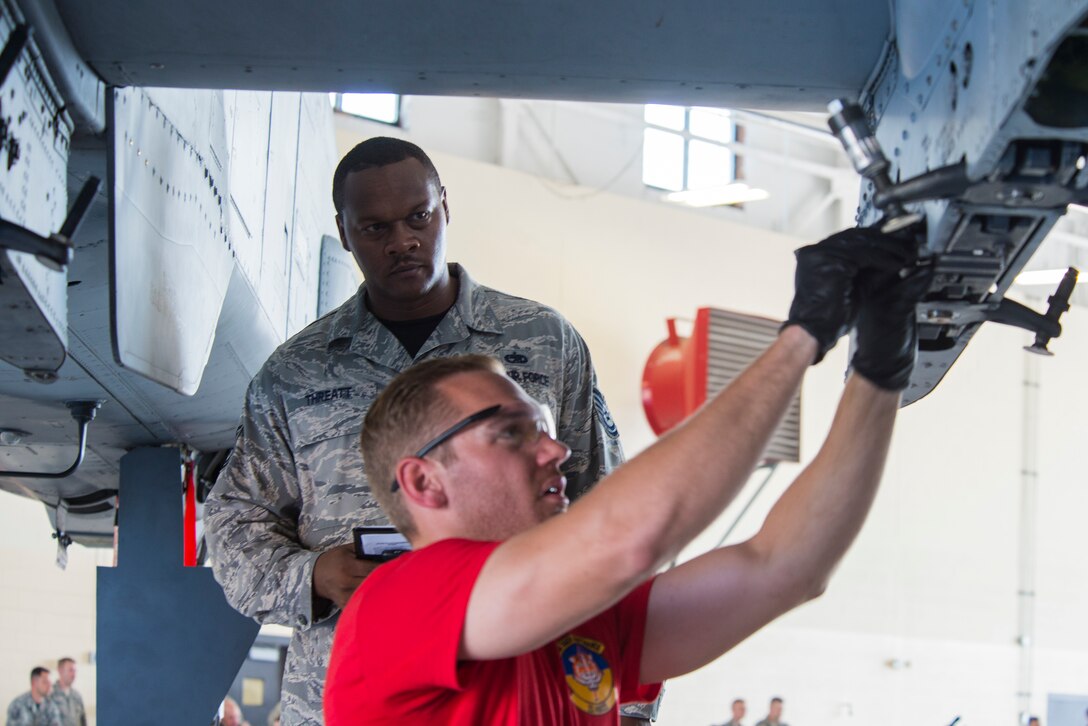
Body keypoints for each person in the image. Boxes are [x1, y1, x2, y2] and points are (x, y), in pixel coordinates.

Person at [323, 227, 932, 723]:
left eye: (543, 426)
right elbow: (627, 540)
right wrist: (803, 337)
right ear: (424, 483)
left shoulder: (580, 618)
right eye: (510, 433)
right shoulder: (392, 604)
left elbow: (784, 568)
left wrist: (881, 366)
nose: (556, 450)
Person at [204, 137, 624, 725]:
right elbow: (232, 528)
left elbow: (607, 510)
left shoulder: (543, 343)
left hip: (515, 686)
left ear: (444, 206)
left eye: (418, 217)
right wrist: (315, 575)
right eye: (374, 228)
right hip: (342, 692)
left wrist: (625, 703)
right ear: (344, 232)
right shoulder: (294, 374)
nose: (403, 241)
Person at [46, 658, 85, 726]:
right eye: (70, 670)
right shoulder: (49, 694)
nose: (74, 674)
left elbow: (83, 721)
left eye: (75, 671)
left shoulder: (77, 696)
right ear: (60, 671)